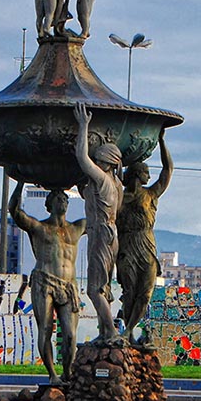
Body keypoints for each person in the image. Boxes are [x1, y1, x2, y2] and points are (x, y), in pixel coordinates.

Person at [10, 181, 86, 384]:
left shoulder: (77, 227)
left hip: (69, 285)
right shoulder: (40, 227)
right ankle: (52, 374)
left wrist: (87, 186)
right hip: (45, 281)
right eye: (58, 199)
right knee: (45, 329)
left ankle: (68, 372)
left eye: (65, 199)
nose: (62, 202)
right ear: (49, 204)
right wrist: (19, 182)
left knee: (70, 334)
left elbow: (102, 214)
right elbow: (15, 212)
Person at [73, 103, 124, 343]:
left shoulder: (104, 180)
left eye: (99, 159)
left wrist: (84, 126)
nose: (96, 162)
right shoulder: (115, 185)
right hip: (109, 233)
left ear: (109, 163)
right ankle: (105, 332)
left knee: (94, 289)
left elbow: (82, 158)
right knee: (102, 287)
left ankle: (111, 332)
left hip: (101, 233)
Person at [117, 131, 172, 344]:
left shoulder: (150, 195)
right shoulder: (118, 197)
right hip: (127, 245)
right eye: (146, 172)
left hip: (147, 245)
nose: (149, 176)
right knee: (129, 291)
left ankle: (129, 329)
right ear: (137, 174)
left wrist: (161, 142)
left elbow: (168, 171)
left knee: (145, 293)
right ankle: (127, 333)